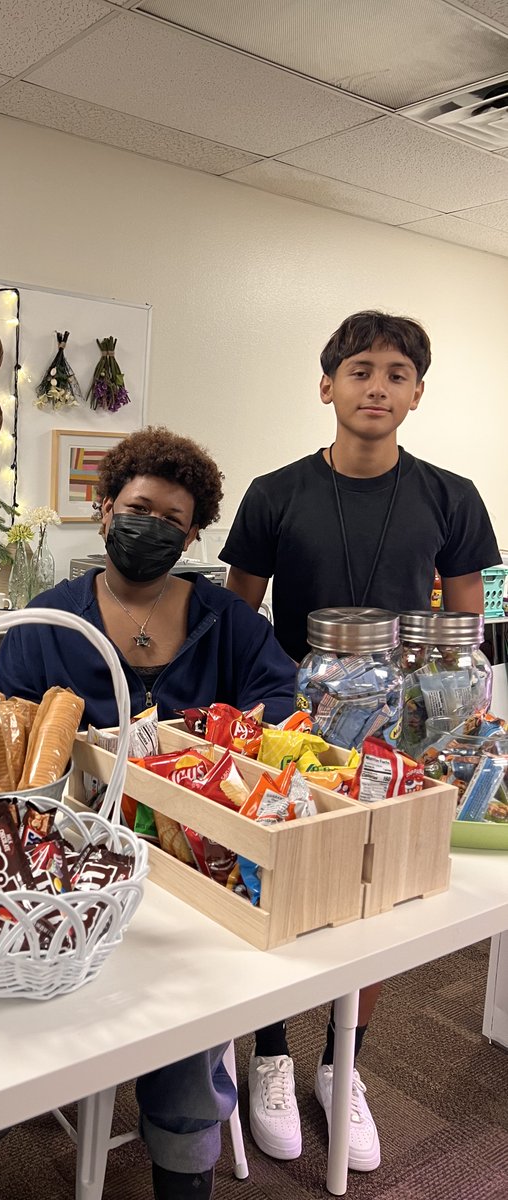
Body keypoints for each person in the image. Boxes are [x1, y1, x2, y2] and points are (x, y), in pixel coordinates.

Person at [220, 311, 500, 1172]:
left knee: (380, 896)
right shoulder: (276, 491)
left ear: (417, 394)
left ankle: (345, 1065)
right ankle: (270, 1054)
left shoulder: (451, 495)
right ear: (327, 385)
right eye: (359, 371)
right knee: (277, 883)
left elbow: (468, 623)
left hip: (405, 731)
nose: (376, 387)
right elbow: (238, 615)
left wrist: (453, 726)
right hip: (295, 720)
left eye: (396, 374)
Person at [0, 426, 298, 1200]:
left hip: (194, 859)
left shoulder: (228, 621)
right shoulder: (48, 620)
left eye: (173, 519)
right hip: (69, 858)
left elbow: (280, 702)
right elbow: (11, 735)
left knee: (188, 998)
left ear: (193, 534)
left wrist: (201, 747)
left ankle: (183, 1166)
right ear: (103, 511)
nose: (152, 528)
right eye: (138, 508)